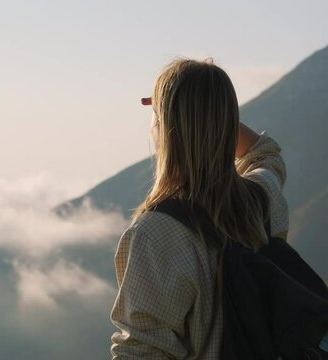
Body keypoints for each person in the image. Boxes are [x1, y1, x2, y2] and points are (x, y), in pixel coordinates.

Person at [109, 58, 289, 359]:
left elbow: (140, 353)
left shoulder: (155, 233)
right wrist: (213, 113)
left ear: (166, 129)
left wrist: (177, 106)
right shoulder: (262, 201)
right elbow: (266, 155)